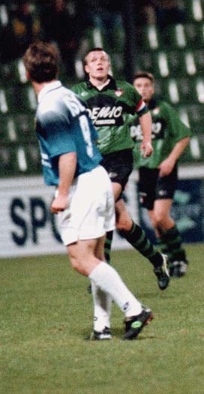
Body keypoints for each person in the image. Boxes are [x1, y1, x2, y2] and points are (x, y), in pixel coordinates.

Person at [23, 41, 152, 340]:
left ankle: (133, 309)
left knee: (80, 259)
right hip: (98, 176)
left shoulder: (50, 106)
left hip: (81, 183)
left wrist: (63, 193)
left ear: (28, 72)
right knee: (96, 258)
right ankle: (101, 326)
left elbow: (67, 154)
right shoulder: (69, 96)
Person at [72, 48, 170, 290]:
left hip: (119, 159)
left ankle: (100, 272)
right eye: (93, 60)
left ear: (108, 65)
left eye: (103, 59)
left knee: (102, 203)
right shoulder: (76, 94)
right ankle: (158, 260)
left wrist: (146, 140)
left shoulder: (124, 90)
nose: (99, 63)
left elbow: (143, 113)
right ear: (86, 68)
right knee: (123, 223)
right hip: (92, 162)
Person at [131, 71, 191, 277]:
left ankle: (180, 257)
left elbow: (183, 136)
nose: (143, 89)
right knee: (155, 223)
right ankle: (168, 259)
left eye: (147, 85)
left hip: (164, 168)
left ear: (153, 88)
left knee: (160, 216)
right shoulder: (129, 114)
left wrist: (171, 159)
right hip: (144, 171)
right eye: (138, 85)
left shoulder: (162, 109)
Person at [41, 0, 80, 78]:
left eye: (61, 2)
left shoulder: (67, 15)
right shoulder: (49, 16)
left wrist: (71, 41)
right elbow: (50, 32)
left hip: (68, 42)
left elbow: (72, 29)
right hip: (57, 42)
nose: (59, 4)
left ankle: (75, 74)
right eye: (57, 2)